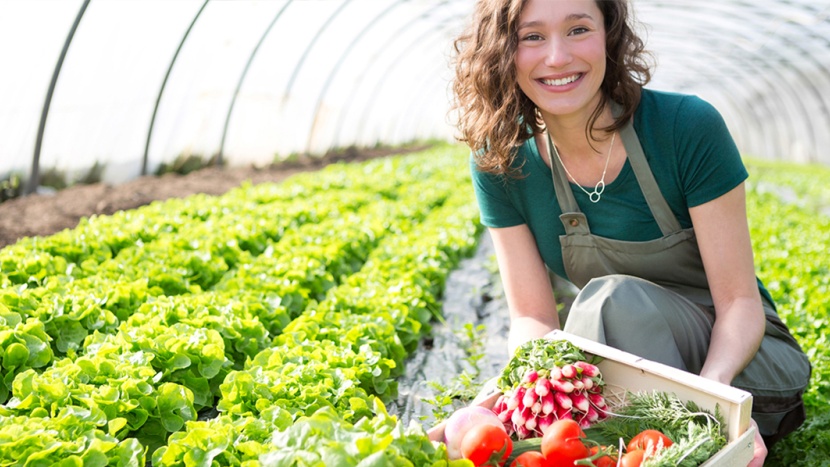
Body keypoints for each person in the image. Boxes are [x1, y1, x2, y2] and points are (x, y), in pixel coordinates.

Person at [450, 0, 811, 465]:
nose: (557, 57)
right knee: (585, 338)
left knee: (608, 303)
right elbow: (533, 320)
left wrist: (712, 400)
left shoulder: (684, 128)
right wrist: (517, 391)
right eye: (531, 36)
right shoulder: (501, 159)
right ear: (502, 51)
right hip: (628, 368)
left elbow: (740, 304)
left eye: (578, 29)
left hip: (741, 362)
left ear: (610, 35)